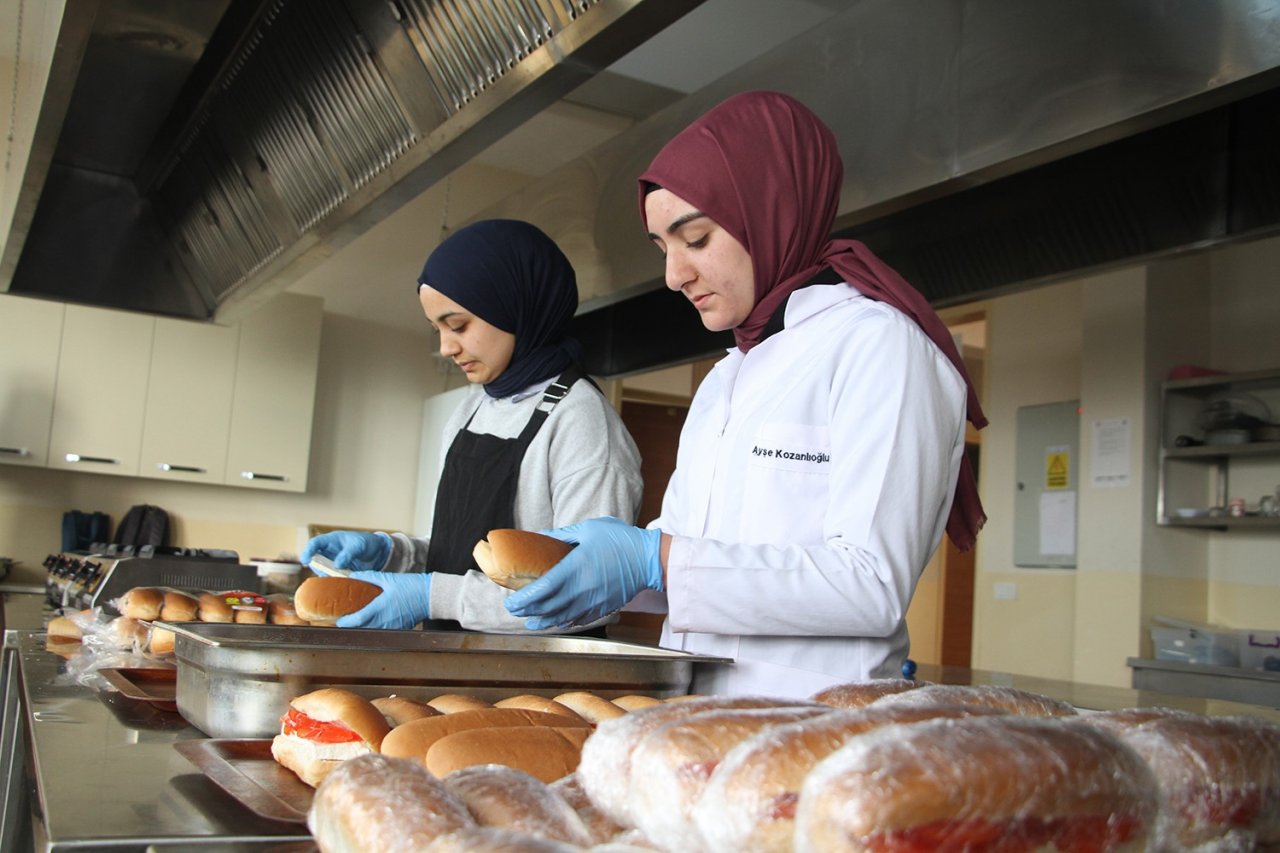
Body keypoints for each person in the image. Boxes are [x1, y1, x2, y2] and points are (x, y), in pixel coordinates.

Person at [503, 91, 987, 696]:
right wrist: (600, 566)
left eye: (696, 238)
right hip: (694, 712)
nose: (674, 276)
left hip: (814, 722)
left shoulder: (879, 347)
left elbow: (871, 584)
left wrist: (652, 558)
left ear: (773, 211)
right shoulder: (728, 376)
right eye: (664, 249)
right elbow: (700, 562)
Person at [301, 219, 643, 633]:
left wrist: (430, 596)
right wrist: (393, 553)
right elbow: (462, 555)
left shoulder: (581, 421)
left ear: (514, 304)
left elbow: (586, 595)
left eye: (458, 325)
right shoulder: (475, 406)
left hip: (539, 681)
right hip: (453, 664)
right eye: (438, 330)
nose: (446, 348)